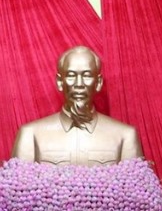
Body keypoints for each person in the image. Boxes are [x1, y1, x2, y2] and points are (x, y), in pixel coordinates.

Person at [11, 46, 143, 165]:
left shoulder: (125, 136)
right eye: (71, 75)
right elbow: (18, 183)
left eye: (87, 76)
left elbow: (134, 183)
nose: (79, 84)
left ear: (98, 82)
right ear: (60, 82)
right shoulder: (31, 135)